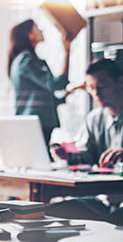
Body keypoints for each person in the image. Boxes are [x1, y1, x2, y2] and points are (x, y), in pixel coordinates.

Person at [8, 19, 73, 150]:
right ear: (29, 35)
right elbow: (55, 84)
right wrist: (67, 52)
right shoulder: (27, 60)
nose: (41, 30)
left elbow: (44, 95)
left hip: (32, 122)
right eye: (37, 27)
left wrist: (65, 94)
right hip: (36, 122)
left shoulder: (22, 60)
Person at [50, 58, 123, 167]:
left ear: (120, 82)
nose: (96, 93)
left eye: (102, 86)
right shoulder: (94, 118)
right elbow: (88, 154)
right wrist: (67, 155)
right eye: (92, 88)